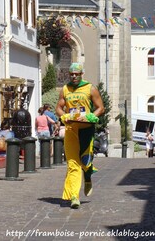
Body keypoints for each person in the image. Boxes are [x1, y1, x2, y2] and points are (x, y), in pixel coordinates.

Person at [56, 62, 104, 209]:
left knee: (85, 161)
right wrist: (63, 116)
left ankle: (88, 176)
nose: (74, 77)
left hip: (86, 129)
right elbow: (59, 107)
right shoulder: (65, 89)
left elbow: (101, 108)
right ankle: (74, 196)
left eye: (77, 74)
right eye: (71, 74)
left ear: (81, 74)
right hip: (71, 129)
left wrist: (91, 117)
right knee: (72, 164)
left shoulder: (90, 88)